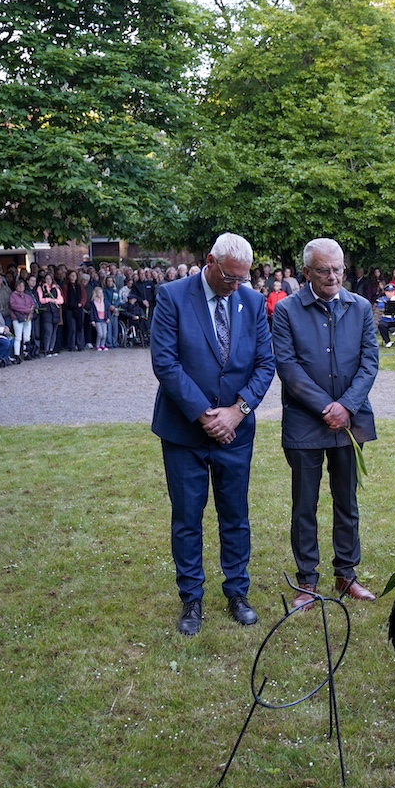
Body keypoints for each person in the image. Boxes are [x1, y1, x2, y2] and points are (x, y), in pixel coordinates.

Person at [150, 232, 276, 637]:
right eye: (229, 277)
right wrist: (205, 415)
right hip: (184, 431)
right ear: (210, 261)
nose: (235, 285)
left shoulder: (253, 302)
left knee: (235, 514)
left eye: (242, 278)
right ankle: (191, 598)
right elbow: (166, 363)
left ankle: (237, 592)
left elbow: (264, 363)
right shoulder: (172, 296)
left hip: (235, 433)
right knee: (187, 518)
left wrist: (237, 412)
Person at [272, 238, 380, 606]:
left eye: (338, 269)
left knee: (346, 501)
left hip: (350, 421)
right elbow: (288, 366)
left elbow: (369, 362)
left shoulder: (361, 307)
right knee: (305, 503)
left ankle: (346, 575)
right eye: (324, 270)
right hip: (306, 423)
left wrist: (346, 406)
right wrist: (326, 407)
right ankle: (307, 580)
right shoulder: (286, 310)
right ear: (306, 272)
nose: (333, 276)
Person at [10, 279, 36, 361]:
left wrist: (30, 310)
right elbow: (14, 306)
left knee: (27, 336)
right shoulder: (13, 296)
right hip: (17, 318)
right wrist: (27, 310)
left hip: (27, 318)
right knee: (18, 337)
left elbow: (32, 304)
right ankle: (17, 354)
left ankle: (26, 353)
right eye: (19, 286)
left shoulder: (27, 296)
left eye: (22, 286)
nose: (21, 287)